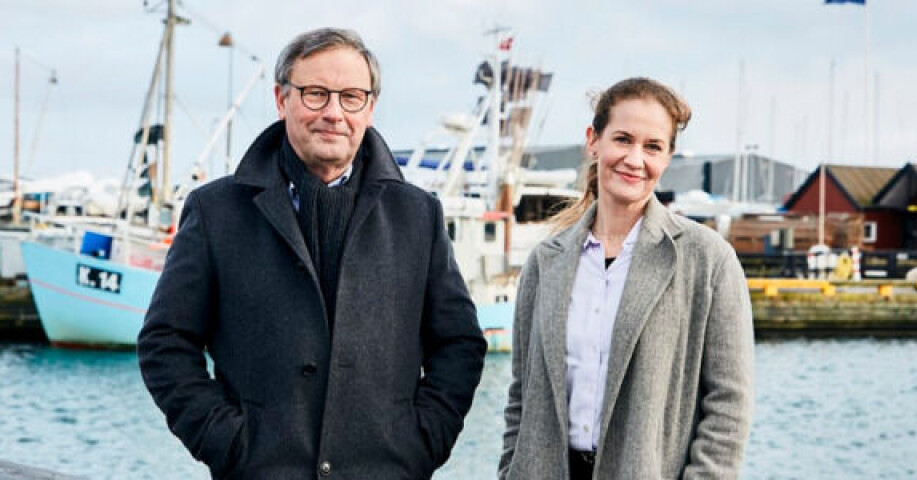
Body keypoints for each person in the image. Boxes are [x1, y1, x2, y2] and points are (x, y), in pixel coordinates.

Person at [138, 28, 487, 480]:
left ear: (370, 108)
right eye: (315, 94)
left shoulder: (418, 214)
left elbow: (459, 343)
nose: (333, 113)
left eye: (351, 97)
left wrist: (421, 442)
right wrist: (226, 442)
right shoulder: (216, 211)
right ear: (282, 100)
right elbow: (165, 342)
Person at [498, 78, 753, 479]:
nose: (635, 159)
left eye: (652, 146)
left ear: (668, 157)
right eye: (623, 139)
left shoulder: (707, 260)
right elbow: (521, 395)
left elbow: (729, 405)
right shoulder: (545, 262)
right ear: (593, 141)